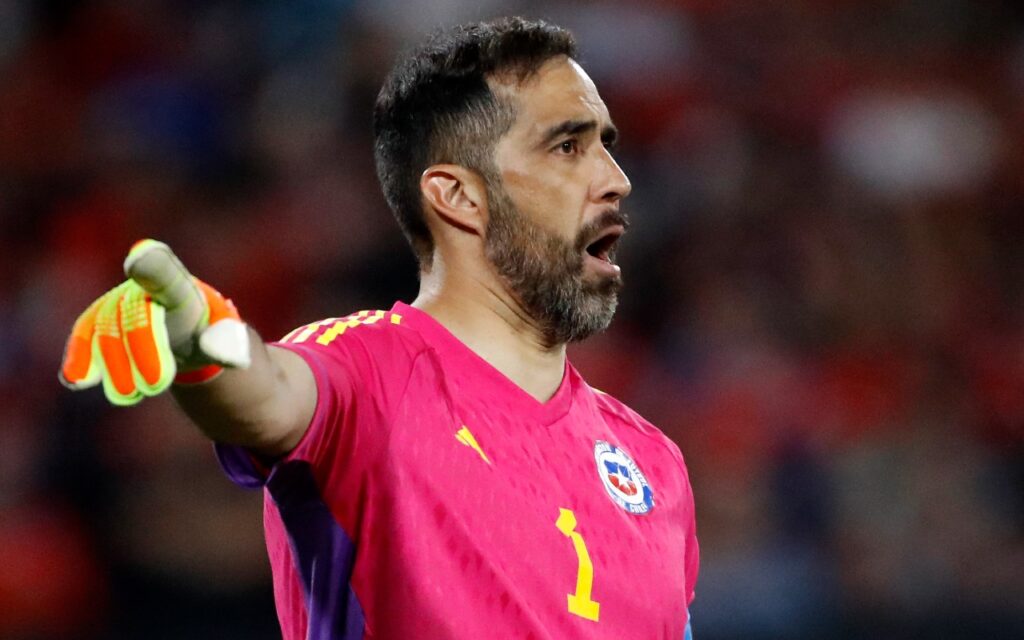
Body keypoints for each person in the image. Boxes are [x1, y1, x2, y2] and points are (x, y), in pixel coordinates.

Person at [60, 17, 698, 640]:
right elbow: (266, 396)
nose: (616, 180)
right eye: (568, 147)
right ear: (459, 197)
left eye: (607, 145)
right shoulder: (368, 374)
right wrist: (204, 345)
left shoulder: (653, 463)